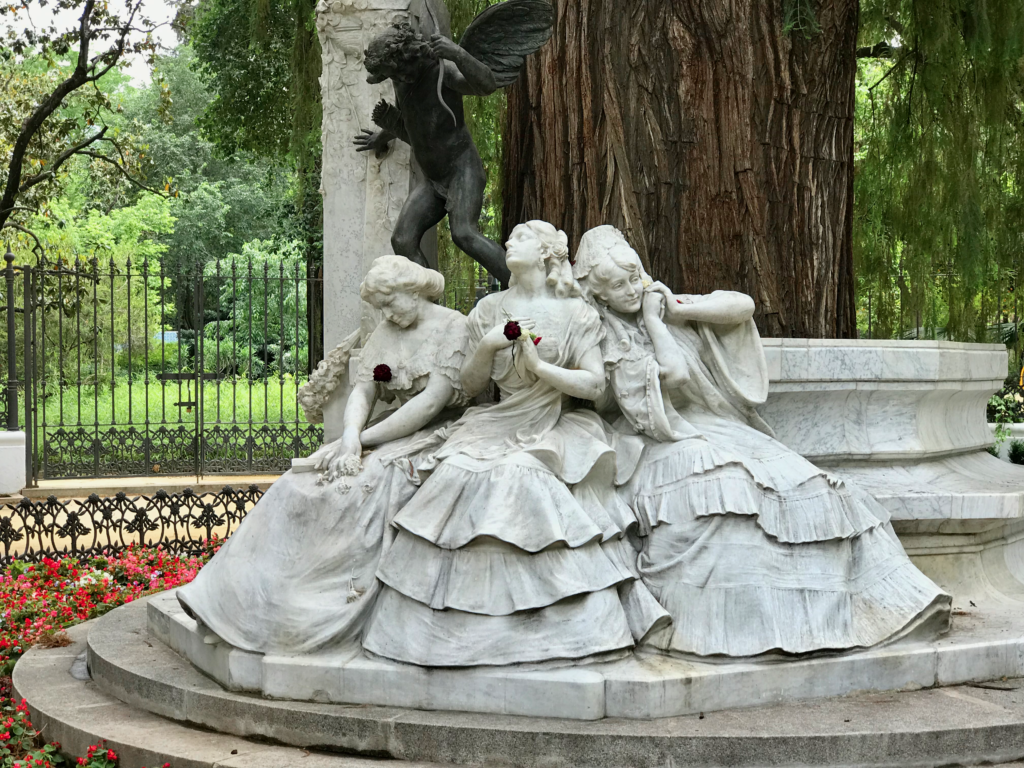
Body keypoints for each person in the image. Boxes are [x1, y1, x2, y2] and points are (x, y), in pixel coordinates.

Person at [572, 225, 951, 658]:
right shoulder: (607, 339)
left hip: (712, 426)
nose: (631, 289)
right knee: (727, 489)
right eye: (617, 285)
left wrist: (677, 310)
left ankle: (851, 612)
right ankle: (735, 625)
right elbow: (671, 377)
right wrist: (657, 324)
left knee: (807, 481)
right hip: (657, 435)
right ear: (599, 295)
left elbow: (742, 305)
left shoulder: (661, 303)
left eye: (634, 275)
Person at [362, 221, 667, 667]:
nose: (508, 241)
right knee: (458, 471)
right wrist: (486, 348)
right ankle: (450, 628)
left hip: (554, 424)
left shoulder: (577, 312)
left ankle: (551, 625)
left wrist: (541, 368)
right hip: (495, 421)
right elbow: (468, 386)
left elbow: (595, 385)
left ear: (546, 253)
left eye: (521, 236)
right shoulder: (488, 309)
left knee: (520, 475)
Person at [176, 256, 470, 655]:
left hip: (434, 432)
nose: (385, 314)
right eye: (379, 307)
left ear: (414, 292)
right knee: (299, 484)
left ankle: (310, 608)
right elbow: (363, 391)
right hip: (378, 431)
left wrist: (363, 441)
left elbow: (431, 404)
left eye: (390, 303)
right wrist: (349, 435)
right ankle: (238, 601)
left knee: (361, 485)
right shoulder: (387, 329)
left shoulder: (453, 327)